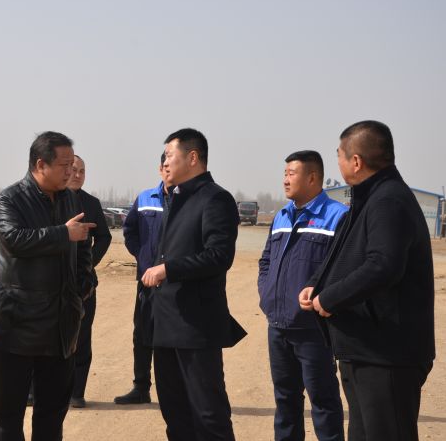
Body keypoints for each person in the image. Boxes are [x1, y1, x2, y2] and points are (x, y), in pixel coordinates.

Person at [299, 120, 435, 441]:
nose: (338, 162)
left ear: (356, 161)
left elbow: (383, 265)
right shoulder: (368, 199)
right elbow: (346, 254)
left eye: (339, 155)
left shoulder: (388, 201)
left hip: (387, 354)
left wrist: (330, 298)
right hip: (365, 349)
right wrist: (318, 285)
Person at [0, 131, 95, 440]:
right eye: (64, 165)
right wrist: (63, 233)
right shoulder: (10, 199)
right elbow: (13, 240)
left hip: (61, 327)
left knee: (51, 415)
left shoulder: (71, 199)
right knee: (8, 416)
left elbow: (83, 250)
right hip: (17, 325)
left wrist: (82, 287)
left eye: (72, 165)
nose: (70, 171)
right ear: (40, 164)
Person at [141, 128, 246, 441]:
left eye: (169, 155)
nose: (165, 162)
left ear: (193, 157)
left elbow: (219, 256)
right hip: (166, 323)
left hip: (195, 325)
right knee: (175, 412)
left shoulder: (215, 199)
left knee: (208, 414)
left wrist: (167, 270)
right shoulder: (175, 198)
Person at [258, 150, 346, 441]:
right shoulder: (281, 216)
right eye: (284, 174)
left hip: (314, 329)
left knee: (323, 400)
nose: (285, 180)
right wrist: (267, 294)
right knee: (285, 399)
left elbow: (343, 268)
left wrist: (323, 298)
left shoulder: (337, 216)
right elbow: (266, 261)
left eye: (291, 173)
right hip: (278, 326)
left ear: (312, 177)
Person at [114, 153, 167, 405]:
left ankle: (172, 391)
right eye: (165, 165)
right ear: (160, 168)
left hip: (175, 282)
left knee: (170, 337)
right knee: (142, 334)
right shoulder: (145, 198)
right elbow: (130, 230)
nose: (168, 170)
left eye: (172, 164)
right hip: (146, 281)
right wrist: (143, 256)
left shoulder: (188, 200)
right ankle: (141, 387)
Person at [66, 155, 112, 408]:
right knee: (43, 339)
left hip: (83, 284)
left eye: (82, 171)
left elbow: (104, 237)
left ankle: (77, 392)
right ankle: (34, 391)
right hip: (51, 281)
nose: (77, 175)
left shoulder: (91, 203)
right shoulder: (48, 199)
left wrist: (88, 263)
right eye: (73, 169)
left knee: (82, 338)